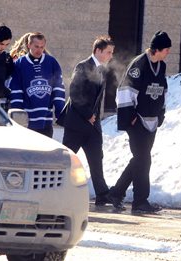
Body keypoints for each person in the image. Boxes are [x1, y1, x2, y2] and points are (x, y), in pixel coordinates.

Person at [108, 31, 171, 213]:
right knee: (144, 159)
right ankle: (140, 201)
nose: (168, 52)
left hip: (152, 121)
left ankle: (117, 192)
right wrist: (130, 118)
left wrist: (161, 114)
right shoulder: (139, 65)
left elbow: (163, 91)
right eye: (166, 49)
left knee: (140, 159)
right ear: (157, 48)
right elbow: (125, 91)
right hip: (137, 121)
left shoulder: (162, 66)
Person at [59, 35, 115, 206]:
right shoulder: (82, 67)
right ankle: (59, 190)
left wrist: (95, 118)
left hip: (92, 125)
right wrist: (87, 114)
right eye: (108, 52)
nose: (110, 56)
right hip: (77, 123)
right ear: (98, 51)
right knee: (67, 160)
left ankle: (102, 194)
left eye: (111, 53)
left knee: (96, 159)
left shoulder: (103, 70)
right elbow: (75, 93)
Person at [9, 32, 65, 138]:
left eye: (42, 47)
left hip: (46, 121)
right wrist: (17, 115)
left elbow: (58, 90)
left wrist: (60, 113)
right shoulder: (20, 64)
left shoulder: (52, 62)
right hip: (27, 122)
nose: (39, 50)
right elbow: (16, 91)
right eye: (36, 46)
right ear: (29, 45)